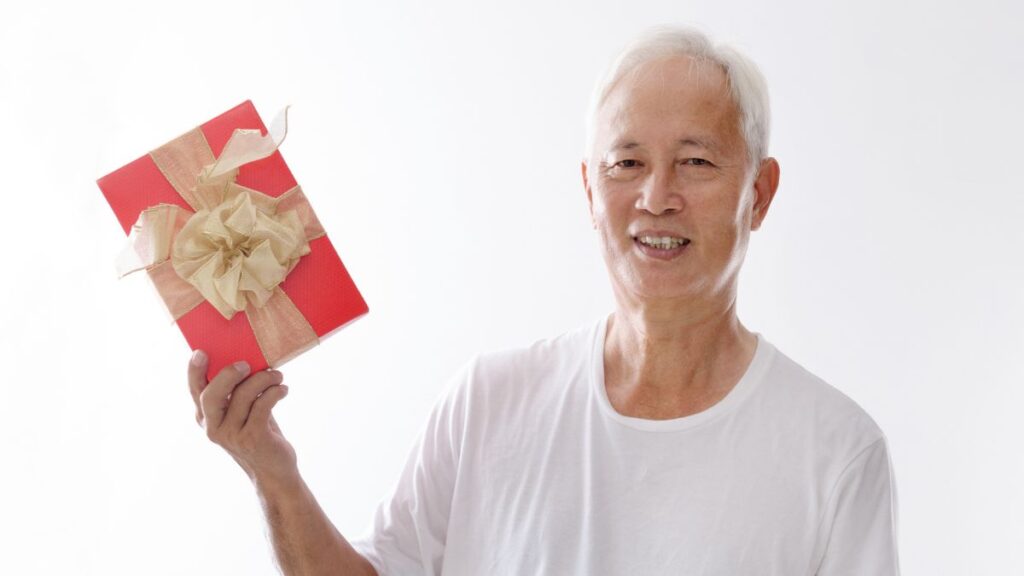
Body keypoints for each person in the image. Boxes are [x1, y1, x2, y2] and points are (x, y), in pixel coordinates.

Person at [186, 26, 900, 575]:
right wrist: (272, 474)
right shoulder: (488, 401)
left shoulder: (834, 452)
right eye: (627, 163)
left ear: (760, 194)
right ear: (591, 190)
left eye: (695, 162)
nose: (656, 198)